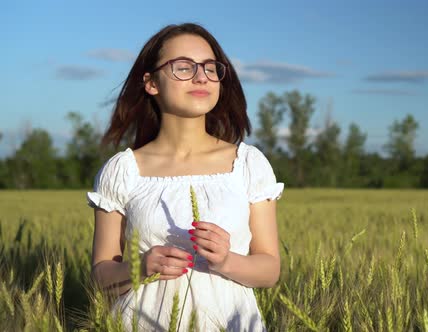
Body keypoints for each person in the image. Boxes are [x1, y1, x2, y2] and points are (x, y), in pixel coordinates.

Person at [87, 22, 283, 331]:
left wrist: (226, 260)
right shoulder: (122, 170)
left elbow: (270, 269)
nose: (201, 76)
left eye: (210, 67)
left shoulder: (247, 163)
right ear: (151, 83)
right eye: (183, 67)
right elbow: (101, 274)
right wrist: (140, 267)